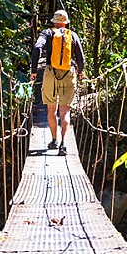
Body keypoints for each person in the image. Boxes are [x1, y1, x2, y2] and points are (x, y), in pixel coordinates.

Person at [30, 9, 85, 155]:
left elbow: (37, 48)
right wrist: (80, 72)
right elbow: (81, 58)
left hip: (51, 73)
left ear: (54, 21)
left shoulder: (47, 33)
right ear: (66, 22)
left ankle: (53, 139)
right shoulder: (72, 35)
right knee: (65, 111)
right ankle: (63, 144)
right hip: (68, 73)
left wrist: (34, 70)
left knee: (51, 109)